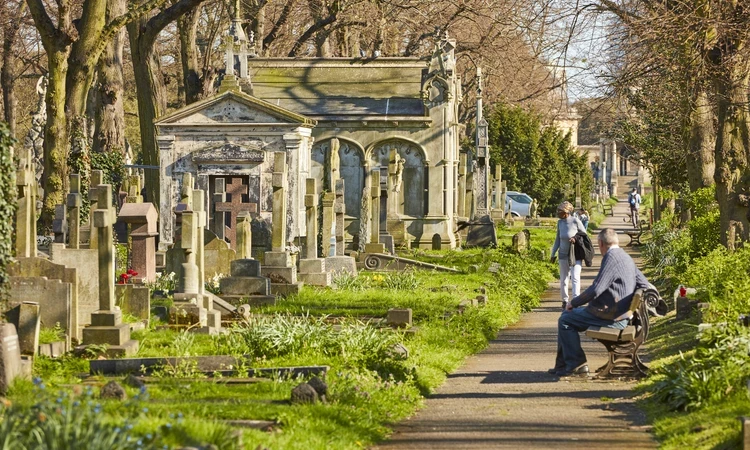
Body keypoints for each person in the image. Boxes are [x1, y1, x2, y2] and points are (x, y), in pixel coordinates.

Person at [549, 228, 650, 377]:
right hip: (620, 314)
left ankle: (577, 365)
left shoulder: (611, 258)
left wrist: (574, 303)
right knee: (567, 317)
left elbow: (596, 289)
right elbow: (644, 284)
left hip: (611, 317)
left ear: (601, 243)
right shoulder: (625, 256)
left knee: (565, 319)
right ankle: (563, 365)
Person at [550, 201, 587, 309]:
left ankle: (576, 300)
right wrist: (552, 254)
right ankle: (565, 300)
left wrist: (575, 238)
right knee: (564, 279)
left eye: (560, 211)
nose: (558, 213)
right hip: (562, 254)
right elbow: (558, 239)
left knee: (575, 277)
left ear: (566, 212)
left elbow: (584, 235)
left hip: (575, 254)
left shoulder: (575, 221)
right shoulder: (560, 223)